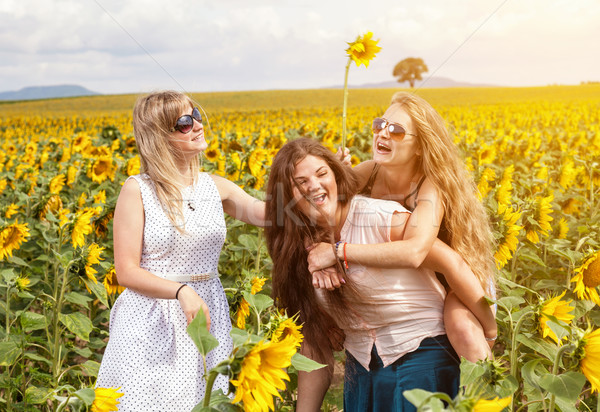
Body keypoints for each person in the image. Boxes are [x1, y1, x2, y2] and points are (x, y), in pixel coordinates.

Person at [264, 138, 495, 411]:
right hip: (363, 371)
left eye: (321, 173)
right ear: (286, 195)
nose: (313, 185)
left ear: (336, 176)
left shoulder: (377, 217)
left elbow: (452, 263)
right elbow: (313, 345)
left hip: (422, 357)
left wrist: (489, 329)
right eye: (300, 182)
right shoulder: (298, 249)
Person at [96, 91, 264, 411]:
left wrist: (328, 176)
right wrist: (181, 291)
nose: (197, 125)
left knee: (205, 400)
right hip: (151, 315)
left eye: (196, 115)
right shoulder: (138, 190)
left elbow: (266, 214)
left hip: (206, 310)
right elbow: (126, 271)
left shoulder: (215, 186)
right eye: (184, 123)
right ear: (159, 136)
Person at [308, 92, 497, 362]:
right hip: (412, 284)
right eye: (379, 125)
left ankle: (488, 397)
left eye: (396, 130)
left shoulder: (431, 185)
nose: (383, 134)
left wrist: (490, 330)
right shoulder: (367, 173)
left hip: (458, 277)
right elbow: (323, 216)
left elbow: (422, 254)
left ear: (419, 146)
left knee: (462, 328)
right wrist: (334, 175)